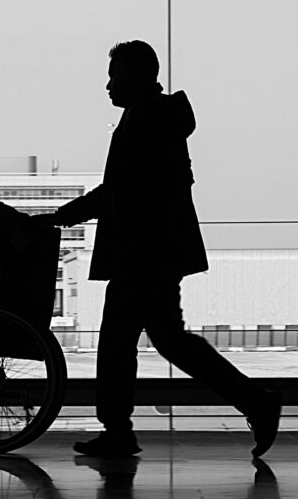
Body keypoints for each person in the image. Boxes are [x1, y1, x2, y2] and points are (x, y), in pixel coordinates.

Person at [32, 40, 281, 457]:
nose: (108, 85)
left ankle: (123, 430)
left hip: (142, 254)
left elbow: (116, 192)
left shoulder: (146, 121)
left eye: (115, 75)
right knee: (161, 339)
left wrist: (61, 216)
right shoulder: (153, 117)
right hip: (153, 253)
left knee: (123, 341)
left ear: (137, 76)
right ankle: (251, 402)